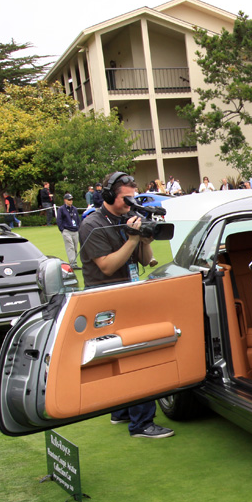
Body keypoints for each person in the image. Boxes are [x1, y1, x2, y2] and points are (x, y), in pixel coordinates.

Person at [78, 172, 174, 438]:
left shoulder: (128, 219)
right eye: (125, 198)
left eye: (133, 197)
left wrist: (144, 241)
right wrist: (132, 238)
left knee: (122, 355)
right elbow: (107, 267)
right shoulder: (92, 225)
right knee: (136, 353)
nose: (130, 203)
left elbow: (146, 260)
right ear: (109, 195)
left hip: (128, 293)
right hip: (105, 297)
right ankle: (141, 423)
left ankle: (122, 411)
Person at [56, 193, 81, 270]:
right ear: (65, 200)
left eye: (71, 199)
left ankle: (74, 263)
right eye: (69, 200)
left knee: (75, 247)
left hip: (75, 230)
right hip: (67, 230)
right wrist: (62, 229)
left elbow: (77, 219)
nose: (71, 201)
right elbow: (59, 220)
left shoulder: (74, 209)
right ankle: (73, 263)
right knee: (70, 246)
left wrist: (78, 227)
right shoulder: (61, 209)